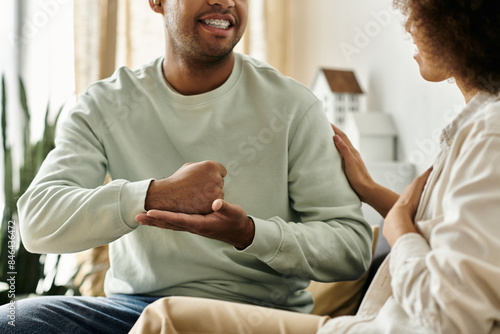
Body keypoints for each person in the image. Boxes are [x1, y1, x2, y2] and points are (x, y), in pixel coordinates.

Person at [0, 0, 373, 332]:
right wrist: (154, 195)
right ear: (157, 2)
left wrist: (249, 233)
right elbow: (36, 223)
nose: (224, 2)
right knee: (14, 321)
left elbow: (351, 249)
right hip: (136, 311)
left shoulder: (294, 106)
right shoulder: (103, 106)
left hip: (256, 315)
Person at [128, 0, 500, 333]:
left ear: (461, 25)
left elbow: (447, 316)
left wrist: (400, 232)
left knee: (166, 319)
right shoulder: (477, 128)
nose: (408, 26)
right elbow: (450, 234)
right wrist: (371, 191)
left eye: (420, 13)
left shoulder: (489, 133)